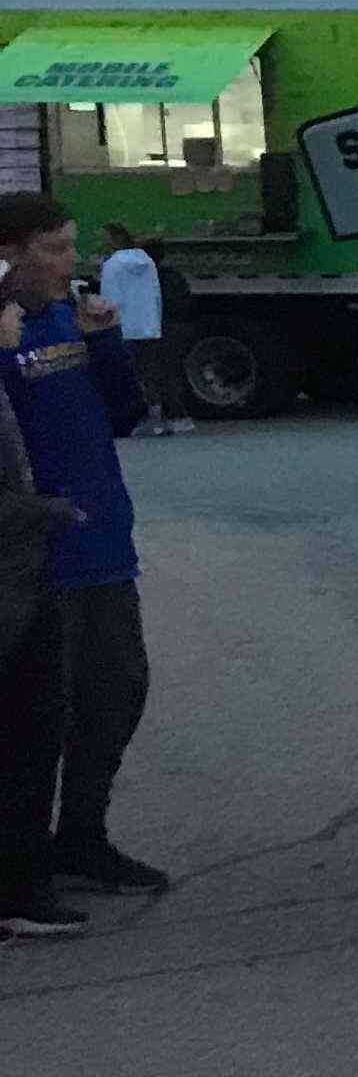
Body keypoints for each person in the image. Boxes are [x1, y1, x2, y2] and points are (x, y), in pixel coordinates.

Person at [2, 196, 164, 898]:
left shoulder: (74, 318)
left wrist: (106, 341)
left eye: (74, 247)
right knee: (37, 715)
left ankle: (84, 835)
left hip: (101, 539)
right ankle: (21, 862)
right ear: (10, 254)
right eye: (56, 248)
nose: (73, 263)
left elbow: (126, 414)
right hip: (31, 552)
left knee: (116, 690)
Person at [0, 316, 85, 938]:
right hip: (12, 586)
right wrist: (49, 511)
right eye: (7, 307)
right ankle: (19, 891)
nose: (18, 319)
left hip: (21, 580)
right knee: (26, 734)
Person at [96, 229, 183, 437]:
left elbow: (110, 297)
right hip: (148, 325)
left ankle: (142, 418)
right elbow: (155, 294)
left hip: (125, 327)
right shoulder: (147, 263)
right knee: (153, 372)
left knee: (132, 375)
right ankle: (162, 418)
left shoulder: (112, 265)